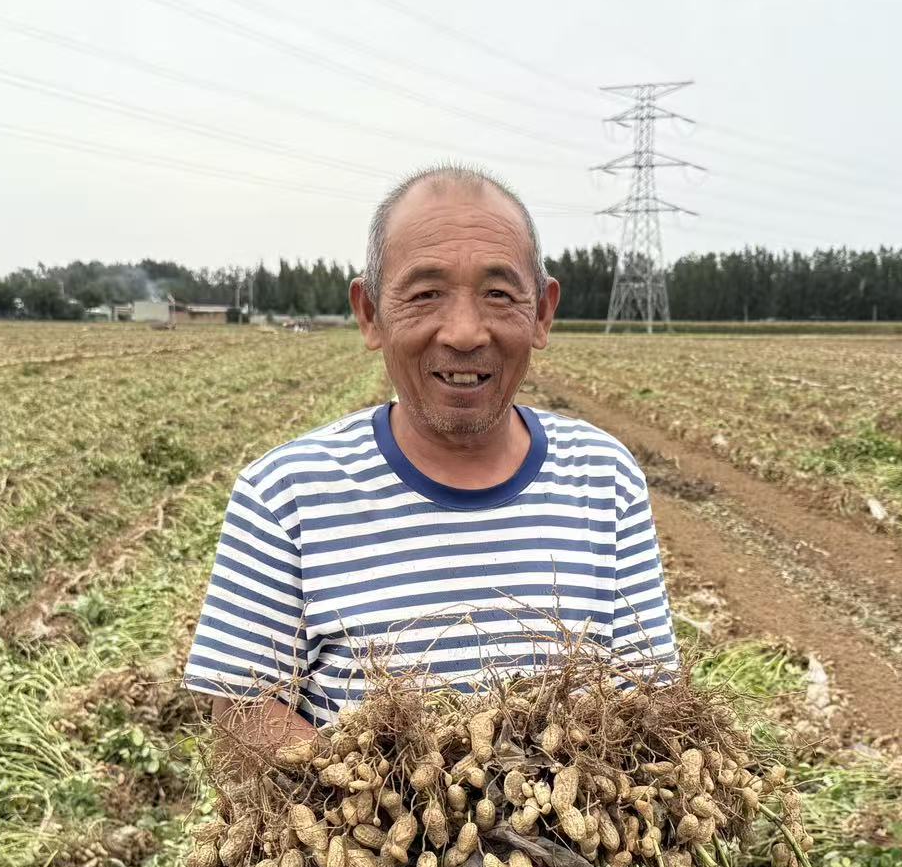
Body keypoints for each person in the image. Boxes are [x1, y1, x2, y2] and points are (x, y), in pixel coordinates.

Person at [184, 164, 677, 747]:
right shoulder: (286, 492)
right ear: (370, 314)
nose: (465, 333)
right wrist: (374, 792)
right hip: (359, 809)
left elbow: (650, 696)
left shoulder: (605, 477)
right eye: (425, 295)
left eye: (499, 294)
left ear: (542, 313)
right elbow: (243, 708)